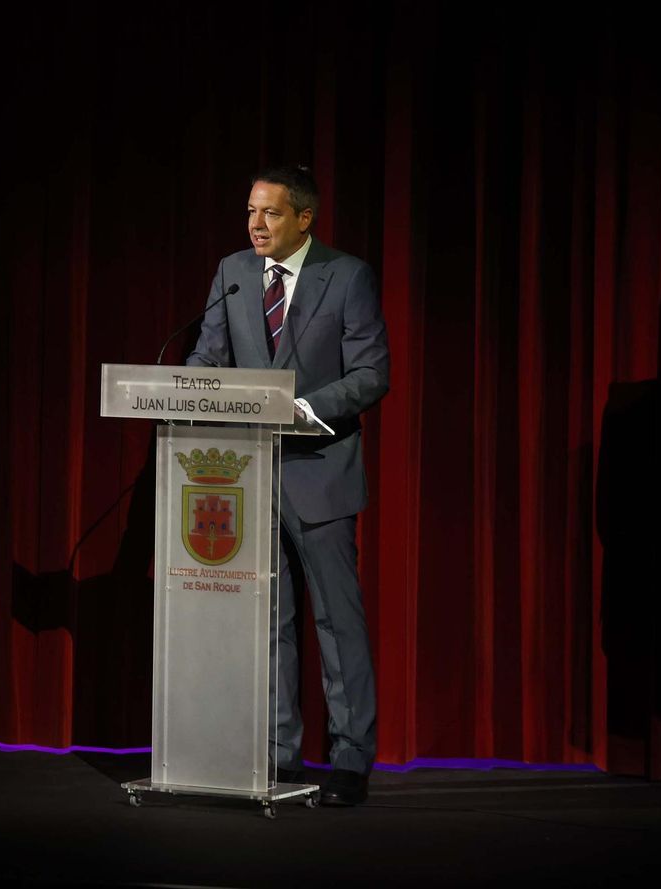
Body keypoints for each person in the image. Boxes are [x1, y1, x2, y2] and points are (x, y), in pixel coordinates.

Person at [185, 164, 390, 806]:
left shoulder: (348, 276)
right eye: (250, 211)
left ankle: (351, 758)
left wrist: (302, 409)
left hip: (320, 472)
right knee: (268, 620)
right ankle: (279, 754)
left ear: (305, 218)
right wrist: (188, 388)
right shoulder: (233, 273)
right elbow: (206, 356)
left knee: (335, 621)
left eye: (270, 213)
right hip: (246, 477)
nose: (255, 224)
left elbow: (371, 373)